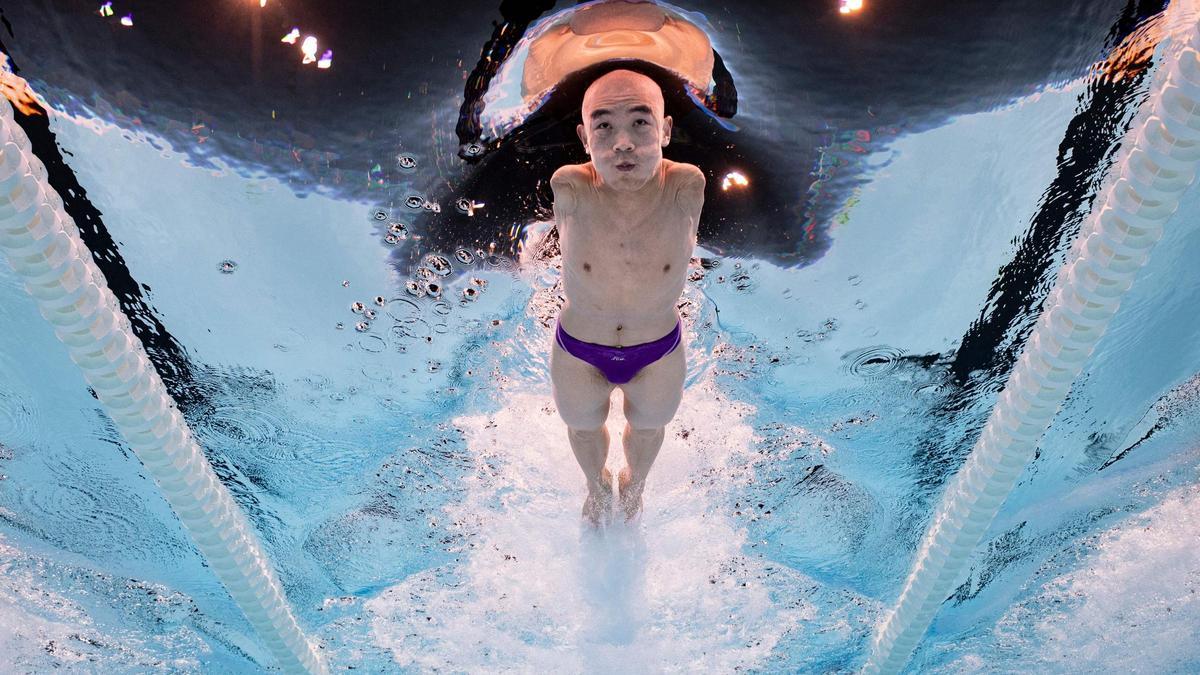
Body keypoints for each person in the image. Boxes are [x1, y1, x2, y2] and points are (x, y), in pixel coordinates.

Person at [549, 68, 705, 527]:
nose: (623, 143)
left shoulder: (686, 186)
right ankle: (597, 487)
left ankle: (633, 489)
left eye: (640, 122)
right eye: (604, 126)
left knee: (650, 426)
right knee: (581, 426)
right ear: (584, 137)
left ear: (666, 130)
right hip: (579, 348)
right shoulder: (569, 187)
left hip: (657, 350)